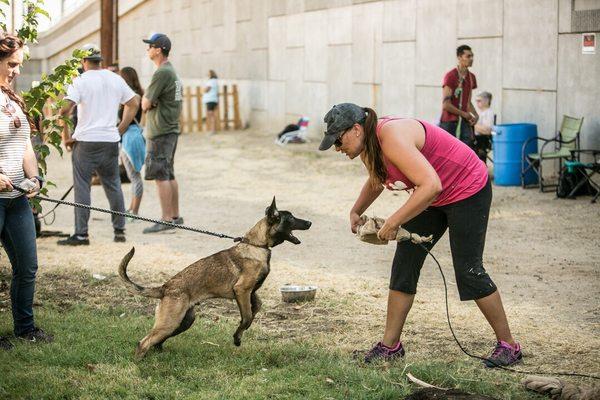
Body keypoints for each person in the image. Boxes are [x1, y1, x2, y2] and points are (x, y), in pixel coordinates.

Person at [318, 103, 522, 368]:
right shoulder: (368, 145)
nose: (337, 148)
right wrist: (356, 210)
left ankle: (509, 346)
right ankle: (390, 347)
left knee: (469, 271)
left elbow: (432, 185)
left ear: (356, 129)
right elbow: (377, 179)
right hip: (433, 196)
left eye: (338, 140)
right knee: (405, 263)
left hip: (466, 188)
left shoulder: (390, 136)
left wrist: (394, 221)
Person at [0, 32, 53, 349]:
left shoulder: (12, 100)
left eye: (18, 64)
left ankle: (25, 328)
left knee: (27, 267)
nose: (17, 70)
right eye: (11, 64)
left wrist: (34, 178)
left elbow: (25, 147)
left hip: (17, 199)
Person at [58, 44, 139, 245]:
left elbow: (64, 110)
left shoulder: (80, 80)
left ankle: (81, 234)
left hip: (85, 141)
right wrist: (120, 128)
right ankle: (119, 230)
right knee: (113, 185)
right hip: (109, 140)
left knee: (82, 186)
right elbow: (134, 103)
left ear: (83, 62)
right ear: (99, 61)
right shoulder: (114, 79)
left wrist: (65, 136)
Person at [141, 33, 183, 233]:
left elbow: (145, 102)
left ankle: (166, 219)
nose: (148, 49)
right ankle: (175, 216)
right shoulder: (171, 71)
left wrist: (149, 102)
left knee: (160, 175)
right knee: (168, 172)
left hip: (160, 129)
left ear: (158, 49)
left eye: (150, 46)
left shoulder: (161, 73)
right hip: (171, 128)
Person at [118, 66, 145, 218]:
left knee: (134, 176)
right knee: (133, 176)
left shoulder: (133, 97)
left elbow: (126, 121)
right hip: (132, 136)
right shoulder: (137, 94)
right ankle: (132, 209)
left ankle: (134, 211)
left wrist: (115, 133)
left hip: (130, 137)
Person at [439, 45, 478, 149]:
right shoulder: (451, 76)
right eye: (468, 56)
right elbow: (446, 105)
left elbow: (468, 103)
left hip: (464, 123)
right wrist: (464, 114)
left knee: (465, 151)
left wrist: (475, 114)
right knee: (448, 152)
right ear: (459, 57)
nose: (471, 59)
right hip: (449, 122)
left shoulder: (471, 77)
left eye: (472, 56)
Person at [473, 91, 494, 162]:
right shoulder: (479, 112)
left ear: (486, 101)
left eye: (479, 101)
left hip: (483, 140)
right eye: (476, 101)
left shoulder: (489, 113)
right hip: (476, 138)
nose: (477, 103)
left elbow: (487, 130)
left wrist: (473, 125)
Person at [202, 69, 218, 135]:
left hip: (210, 100)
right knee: (212, 115)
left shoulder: (211, 81)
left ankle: (213, 130)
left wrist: (204, 89)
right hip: (213, 99)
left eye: (208, 73)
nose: (207, 74)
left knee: (211, 115)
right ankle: (212, 130)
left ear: (211, 74)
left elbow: (207, 89)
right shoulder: (214, 81)